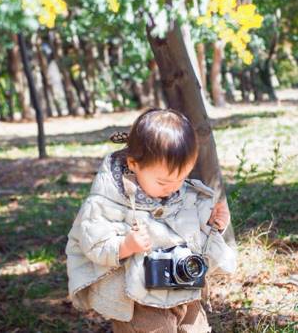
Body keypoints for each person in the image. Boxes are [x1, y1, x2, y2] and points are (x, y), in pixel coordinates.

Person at [65, 108, 237, 333]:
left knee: (197, 329)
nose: (173, 188)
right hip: (138, 300)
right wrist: (125, 246)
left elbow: (201, 236)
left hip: (184, 289)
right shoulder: (109, 200)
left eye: (182, 178)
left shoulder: (188, 196)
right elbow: (92, 240)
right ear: (134, 164)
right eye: (164, 182)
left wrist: (216, 224)